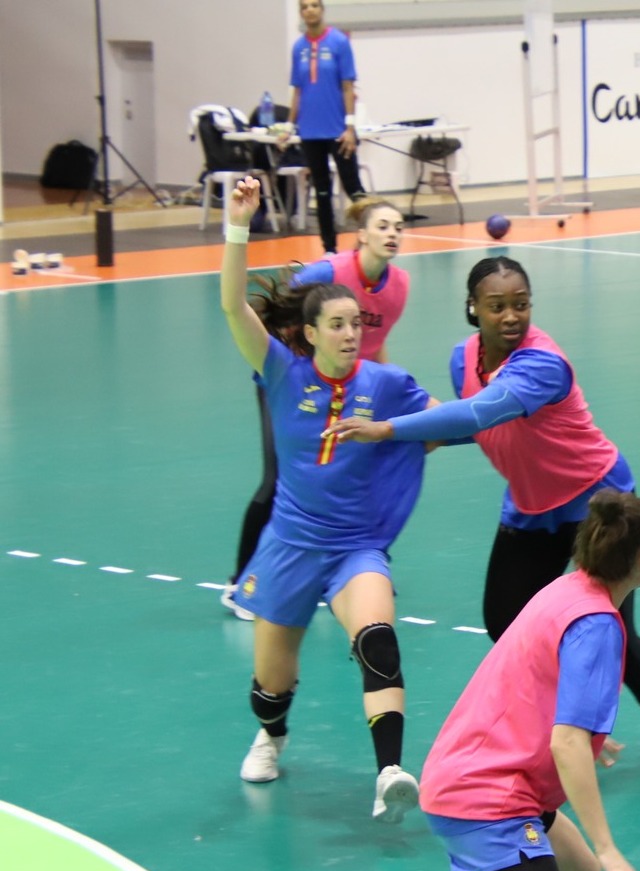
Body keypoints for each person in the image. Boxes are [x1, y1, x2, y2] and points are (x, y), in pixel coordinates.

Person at [325, 257, 640, 773]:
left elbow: (483, 411)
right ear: (473, 308)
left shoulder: (542, 364)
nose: (511, 316)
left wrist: (387, 429)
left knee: (620, 637)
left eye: (521, 304)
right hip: (530, 504)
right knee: (504, 620)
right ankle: (567, 711)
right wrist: (420, 441)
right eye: (497, 307)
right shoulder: (464, 357)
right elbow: (477, 427)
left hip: (597, 503)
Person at [218, 177, 434, 822]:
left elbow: (445, 423)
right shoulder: (282, 373)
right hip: (289, 544)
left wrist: (497, 407)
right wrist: (237, 227)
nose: (348, 334)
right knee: (269, 686)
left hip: (353, 548)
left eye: (354, 325)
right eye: (335, 325)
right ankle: (272, 735)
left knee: (378, 638)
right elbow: (233, 307)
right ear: (308, 332)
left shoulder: (387, 384)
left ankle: (390, 769)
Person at [421, 492, 640, 871]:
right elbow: (567, 743)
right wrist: (610, 846)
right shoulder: (595, 624)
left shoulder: (568, 591)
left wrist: (589, 736)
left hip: (490, 775)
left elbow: (539, 683)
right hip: (486, 796)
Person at [221, 197, 411, 622]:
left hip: (343, 389)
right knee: (280, 480)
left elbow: (372, 350)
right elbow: (276, 318)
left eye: (398, 226)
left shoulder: (398, 287)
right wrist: (299, 374)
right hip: (294, 386)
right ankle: (241, 581)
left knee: (353, 475)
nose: (392, 233)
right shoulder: (328, 274)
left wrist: (386, 391)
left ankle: (350, 570)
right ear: (361, 233)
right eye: (382, 225)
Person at [282, 0, 368, 255]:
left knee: (353, 187)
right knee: (321, 191)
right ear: (301, 13)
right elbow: (297, 91)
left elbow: (348, 87)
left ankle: (373, 236)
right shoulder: (298, 48)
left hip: (338, 131)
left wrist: (350, 126)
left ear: (322, 9)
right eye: (305, 6)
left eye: (314, 5)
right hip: (310, 133)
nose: (310, 10)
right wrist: (289, 125)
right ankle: (329, 248)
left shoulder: (339, 42)